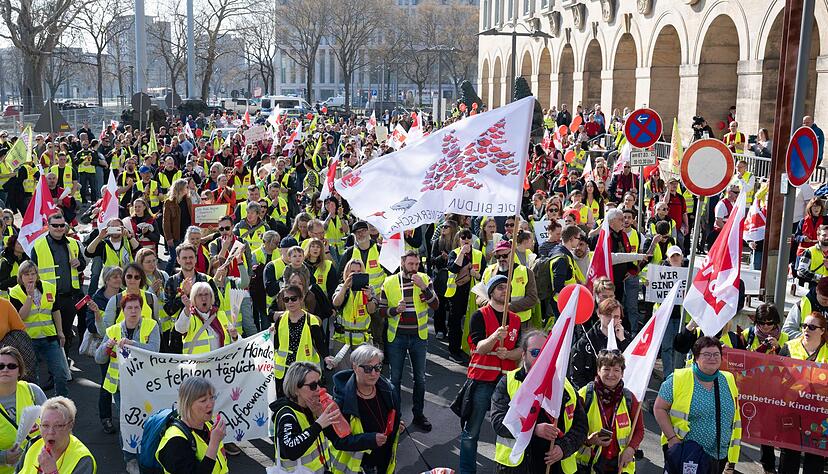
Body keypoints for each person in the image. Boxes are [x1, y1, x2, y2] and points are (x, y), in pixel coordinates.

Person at [491, 330, 588, 473]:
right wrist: (533, 429)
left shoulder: (564, 386)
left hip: (555, 466)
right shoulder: (508, 381)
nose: (541, 357)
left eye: (545, 352)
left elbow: (581, 427)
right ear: (523, 355)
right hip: (518, 467)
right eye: (535, 353)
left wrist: (563, 448)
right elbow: (498, 421)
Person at [459, 275, 522, 474]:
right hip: (483, 381)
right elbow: (479, 348)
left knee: (509, 430)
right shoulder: (480, 315)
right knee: (472, 431)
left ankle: (506, 468)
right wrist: (496, 336)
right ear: (492, 292)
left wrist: (509, 354)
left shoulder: (516, 319)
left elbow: (521, 351)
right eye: (500, 287)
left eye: (507, 287)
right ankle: (467, 471)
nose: (505, 290)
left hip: (507, 383)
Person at [654, 336, 742, 474]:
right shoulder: (678, 378)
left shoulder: (728, 379)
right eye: (706, 354)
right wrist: (672, 438)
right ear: (696, 357)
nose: (712, 358)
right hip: (687, 454)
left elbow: (734, 418)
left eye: (716, 354)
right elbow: (659, 408)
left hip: (719, 456)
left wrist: (731, 460)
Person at [94, 293, 160, 473]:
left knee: (147, 420)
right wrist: (107, 346)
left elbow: (155, 350)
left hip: (145, 384)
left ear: (141, 310)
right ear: (123, 311)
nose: (133, 311)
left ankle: (147, 454)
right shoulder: (112, 330)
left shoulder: (151, 325)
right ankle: (130, 459)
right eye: (129, 308)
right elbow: (99, 359)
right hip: (121, 386)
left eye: (136, 308)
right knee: (127, 422)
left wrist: (132, 343)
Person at [380, 251, 439, 432]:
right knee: (395, 379)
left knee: (420, 379)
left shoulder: (424, 279)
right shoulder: (389, 282)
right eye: (411, 264)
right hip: (397, 337)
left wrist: (424, 288)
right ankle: (395, 417)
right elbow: (381, 311)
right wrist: (395, 310)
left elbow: (435, 305)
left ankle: (418, 414)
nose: (414, 268)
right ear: (402, 263)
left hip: (418, 337)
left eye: (417, 264)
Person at [331, 344, 402, 473]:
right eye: (368, 368)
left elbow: (395, 417)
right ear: (355, 367)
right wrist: (369, 440)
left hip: (384, 462)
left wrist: (396, 426)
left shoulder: (389, 390)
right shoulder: (341, 401)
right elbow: (338, 441)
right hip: (360, 466)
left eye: (378, 367)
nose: (374, 373)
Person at [576, 350, 644, 474]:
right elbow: (571, 430)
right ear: (598, 370)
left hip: (620, 466)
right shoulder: (585, 395)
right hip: (588, 466)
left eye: (616, 370)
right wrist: (588, 441)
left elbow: (639, 430)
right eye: (606, 369)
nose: (611, 374)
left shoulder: (629, 398)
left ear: (622, 373)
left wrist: (631, 449)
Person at [8, 261, 69, 397]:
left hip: (49, 336)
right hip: (28, 340)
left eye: (33, 274)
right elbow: (20, 317)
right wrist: (29, 296)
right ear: (20, 277)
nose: (30, 277)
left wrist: (60, 331)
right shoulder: (15, 292)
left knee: (60, 373)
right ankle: (35, 406)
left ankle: (62, 405)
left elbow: (55, 310)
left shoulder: (49, 287)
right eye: (27, 274)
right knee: (31, 377)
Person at [777, 312, 828, 472]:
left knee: (815, 456)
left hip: (819, 413)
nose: (806, 329)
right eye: (804, 326)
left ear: (822, 330)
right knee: (789, 453)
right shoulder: (789, 347)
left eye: (812, 327)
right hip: (791, 409)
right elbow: (775, 376)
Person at [270, 361, 340, 473]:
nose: (318, 388)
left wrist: (320, 414)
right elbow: (289, 450)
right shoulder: (286, 415)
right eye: (312, 386)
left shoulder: (312, 406)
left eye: (319, 383)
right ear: (296, 389)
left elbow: (336, 438)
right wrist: (318, 425)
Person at [31, 213, 85, 350]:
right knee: (50, 336)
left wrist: (79, 262)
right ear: (48, 226)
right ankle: (53, 368)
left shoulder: (73, 243)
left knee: (65, 334)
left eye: (62, 225)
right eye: (55, 225)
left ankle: (64, 364)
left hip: (68, 298)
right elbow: (32, 273)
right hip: (48, 298)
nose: (59, 228)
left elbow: (83, 264)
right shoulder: (38, 246)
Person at [156, 376, 228, 474]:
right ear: (187, 404)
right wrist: (214, 444)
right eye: (203, 400)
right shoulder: (175, 441)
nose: (210, 404)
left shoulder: (207, 423)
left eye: (212, 398)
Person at [271, 284, 327, 397]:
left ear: (301, 299)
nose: (290, 302)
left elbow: (320, 343)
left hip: (303, 373)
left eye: (293, 299)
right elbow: (276, 345)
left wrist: (326, 357)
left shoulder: (311, 320)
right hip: (283, 373)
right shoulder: (280, 319)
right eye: (286, 299)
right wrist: (271, 334)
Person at [163, 244, 220, 353]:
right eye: (184, 258)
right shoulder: (171, 281)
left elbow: (216, 304)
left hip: (204, 333)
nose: (188, 260)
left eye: (191, 257)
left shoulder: (207, 280)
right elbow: (168, 310)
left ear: (196, 259)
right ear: (178, 260)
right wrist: (184, 294)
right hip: (178, 336)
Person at [19, 396, 96, 473]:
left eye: (58, 426)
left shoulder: (83, 460)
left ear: (70, 426)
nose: (50, 432)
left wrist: (52, 472)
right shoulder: (32, 444)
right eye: (45, 425)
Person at [0, 346, 46, 474]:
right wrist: (3, 457)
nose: (5, 370)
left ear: (20, 371)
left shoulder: (33, 391)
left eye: (11, 366)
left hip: (36, 468)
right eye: (0, 366)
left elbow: (56, 424)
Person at [89, 266, 121, 435]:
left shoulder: (125, 296)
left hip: (123, 347)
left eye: (119, 277)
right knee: (107, 384)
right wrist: (97, 317)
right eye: (114, 277)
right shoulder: (98, 298)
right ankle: (106, 418)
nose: (117, 280)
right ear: (107, 280)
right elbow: (90, 325)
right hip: (107, 347)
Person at [445, 229, 486, 361]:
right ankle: (454, 351)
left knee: (473, 322)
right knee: (455, 323)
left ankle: (470, 349)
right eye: (463, 237)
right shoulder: (454, 253)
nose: (466, 239)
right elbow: (453, 268)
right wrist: (462, 252)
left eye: (469, 236)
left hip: (473, 293)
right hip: (456, 293)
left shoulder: (479, 254)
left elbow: (485, 274)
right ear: (459, 239)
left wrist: (477, 275)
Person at [570, 299, 630, 389]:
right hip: (592, 394)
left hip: (620, 392)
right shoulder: (585, 342)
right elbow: (576, 376)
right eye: (608, 315)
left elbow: (633, 365)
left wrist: (622, 340)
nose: (611, 320)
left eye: (616, 317)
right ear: (599, 314)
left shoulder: (625, 337)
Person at [480, 241, 538, 327]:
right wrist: (491, 305)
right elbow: (479, 296)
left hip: (519, 322)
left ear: (512, 254)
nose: (501, 259)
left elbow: (532, 299)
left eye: (505, 256)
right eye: (498, 256)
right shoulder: (488, 271)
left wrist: (508, 307)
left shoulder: (525, 272)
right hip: (494, 320)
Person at [175, 281, 239, 355]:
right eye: (200, 295)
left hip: (221, 364)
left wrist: (235, 337)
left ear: (211, 297)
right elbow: (180, 329)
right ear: (193, 299)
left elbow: (236, 342)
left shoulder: (220, 315)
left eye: (206, 294)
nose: (204, 298)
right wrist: (187, 308)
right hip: (197, 365)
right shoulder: (189, 316)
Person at [162, 179, 194, 275]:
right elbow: (165, 222)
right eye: (186, 187)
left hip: (187, 234)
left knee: (185, 259)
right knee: (173, 258)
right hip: (175, 236)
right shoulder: (169, 202)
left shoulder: (188, 200)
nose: (188, 189)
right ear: (180, 189)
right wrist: (169, 238)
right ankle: (165, 277)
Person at [797, 224, 828, 289]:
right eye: (824, 235)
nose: (827, 237)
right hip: (812, 289)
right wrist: (821, 278)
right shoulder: (809, 252)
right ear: (818, 237)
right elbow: (801, 271)